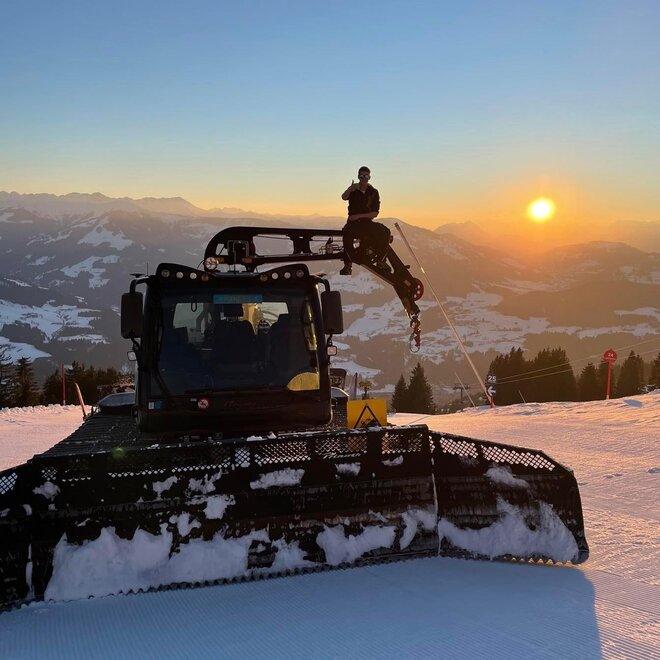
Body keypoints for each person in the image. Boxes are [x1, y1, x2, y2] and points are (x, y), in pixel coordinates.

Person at [340, 166, 391, 275]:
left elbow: (375, 212)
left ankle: (381, 260)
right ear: (358, 176)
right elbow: (344, 197)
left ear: (369, 177)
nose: (363, 178)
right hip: (354, 223)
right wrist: (349, 190)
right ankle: (348, 264)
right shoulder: (353, 189)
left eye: (366, 176)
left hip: (364, 222)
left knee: (385, 232)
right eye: (361, 176)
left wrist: (358, 216)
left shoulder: (373, 192)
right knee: (347, 233)